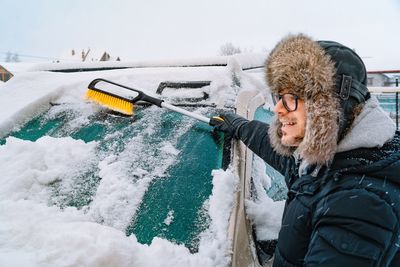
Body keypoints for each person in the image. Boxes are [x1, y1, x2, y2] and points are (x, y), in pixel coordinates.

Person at [214, 34, 400, 266]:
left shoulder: (358, 204)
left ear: (329, 106)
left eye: (292, 97)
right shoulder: (333, 161)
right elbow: (286, 159)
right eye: (279, 97)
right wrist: (240, 126)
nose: (279, 108)